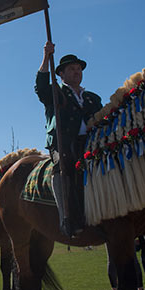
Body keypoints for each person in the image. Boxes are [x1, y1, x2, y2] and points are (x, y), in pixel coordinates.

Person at [35, 41, 102, 237]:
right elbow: (40, 86)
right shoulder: (55, 92)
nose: (77, 71)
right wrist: (47, 56)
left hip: (91, 143)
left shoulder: (92, 98)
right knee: (64, 167)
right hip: (64, 143)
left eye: (79, 68)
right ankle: (68, 219)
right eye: (72, 69)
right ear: (61, 74)